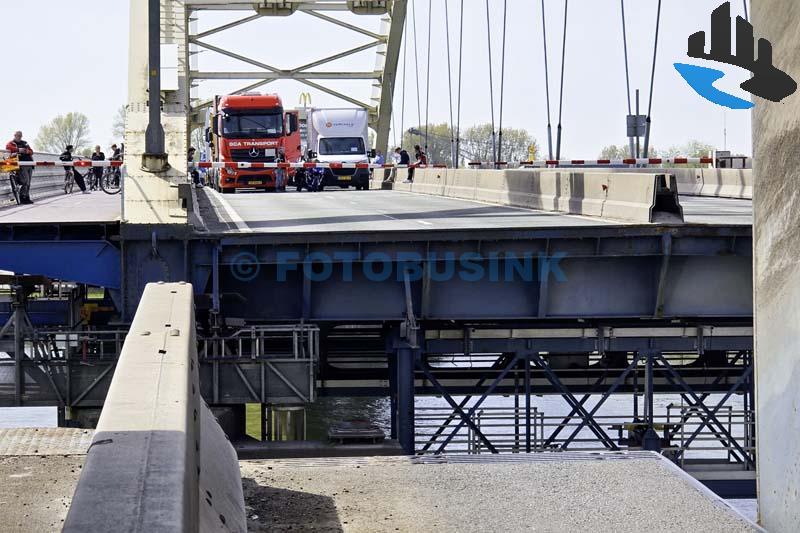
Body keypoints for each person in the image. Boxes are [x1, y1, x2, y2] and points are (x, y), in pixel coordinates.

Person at [5, 131, 34, 203]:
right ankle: (22, 197)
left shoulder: (25, 143)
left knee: (28, 182)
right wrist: (18, 150)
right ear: (14, 135)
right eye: (18, 135)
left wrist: (27, 151)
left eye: (20, 136)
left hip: (29, 163)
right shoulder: (11, 143)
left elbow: (31, 151)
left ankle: (27, 197)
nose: (19, 137)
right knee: (25, 182)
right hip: (21, 164)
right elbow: (8, 147)